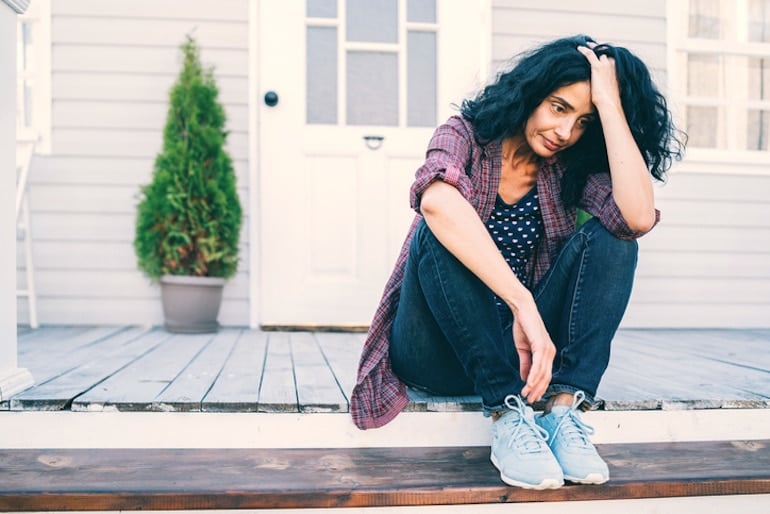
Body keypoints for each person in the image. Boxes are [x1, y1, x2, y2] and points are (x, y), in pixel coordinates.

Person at [350, 34, 685, 490]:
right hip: (435, 349)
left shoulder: (568, 167)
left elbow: (637, 217)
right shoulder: (464, 134)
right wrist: (522, 304)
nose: (565, 132)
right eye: (558, 107)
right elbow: (436, 203)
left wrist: (610, 105)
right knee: (438, 221)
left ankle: (563, 412)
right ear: (531, 94)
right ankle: (507, 415)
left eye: (583, 121)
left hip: (521, 354)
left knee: (616, 239)